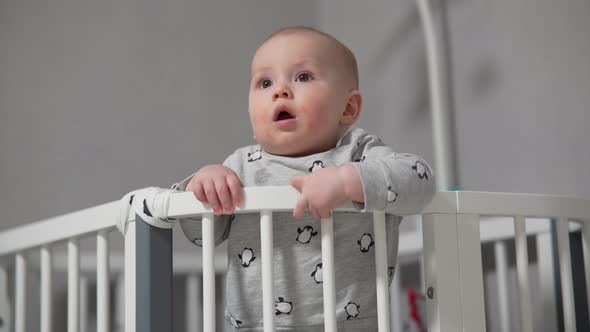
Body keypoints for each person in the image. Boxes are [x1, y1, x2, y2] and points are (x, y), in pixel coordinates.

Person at [173, 26, 436, 331]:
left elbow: (420, 180)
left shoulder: (359, 154)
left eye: (303, 77)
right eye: (265, 82)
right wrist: (203, 185)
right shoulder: (241, 167)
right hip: (257, 326)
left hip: (351, 324)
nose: (280, 90)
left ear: (348, 108)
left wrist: (348, 181)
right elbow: (201, 234)